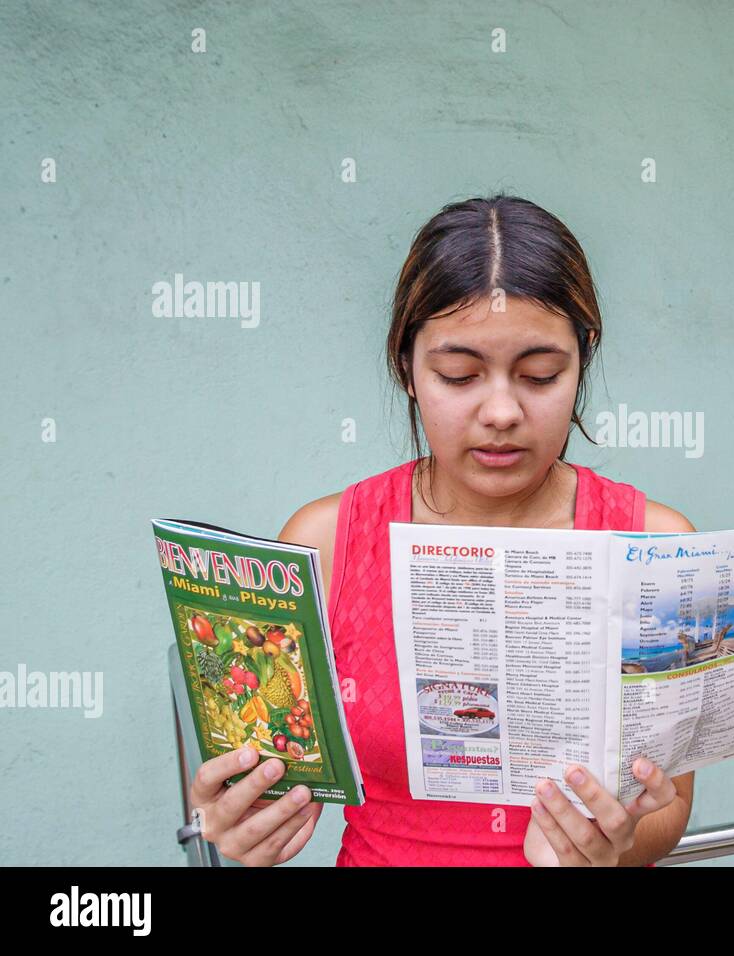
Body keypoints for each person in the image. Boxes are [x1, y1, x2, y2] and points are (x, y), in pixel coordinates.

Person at [187, 195, 696, 866]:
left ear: (583, 359)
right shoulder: (325, 542)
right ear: (406, 366)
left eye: (541, 374)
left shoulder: (655, 547)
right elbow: (263, 777)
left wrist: (610, 845)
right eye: (458, 375)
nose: (502, 411)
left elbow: (671, 808)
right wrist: (241, 818)